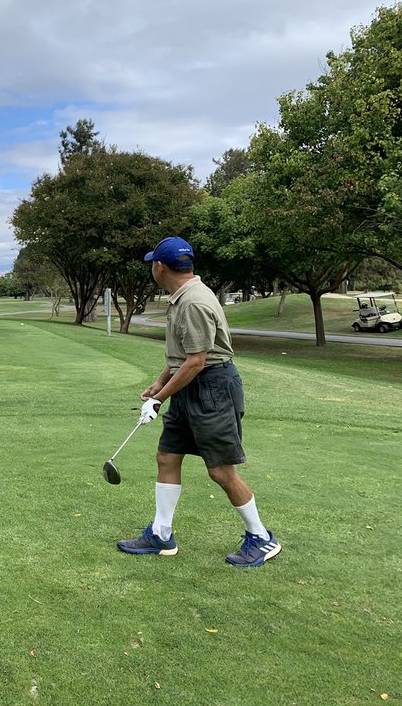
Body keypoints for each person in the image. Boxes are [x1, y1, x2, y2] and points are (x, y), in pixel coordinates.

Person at [117, 237, 281, 568]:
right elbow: (183, 355)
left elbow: (196, 361)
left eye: (152, 263)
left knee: (220, 471)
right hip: (190, 384)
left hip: (211, 389)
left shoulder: (193, 302)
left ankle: (262, 538)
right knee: (167, 456)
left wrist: (159, 399)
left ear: (159, 267)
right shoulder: (183, 297)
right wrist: (160, 383)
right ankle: (162, 534)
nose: (152, 268)